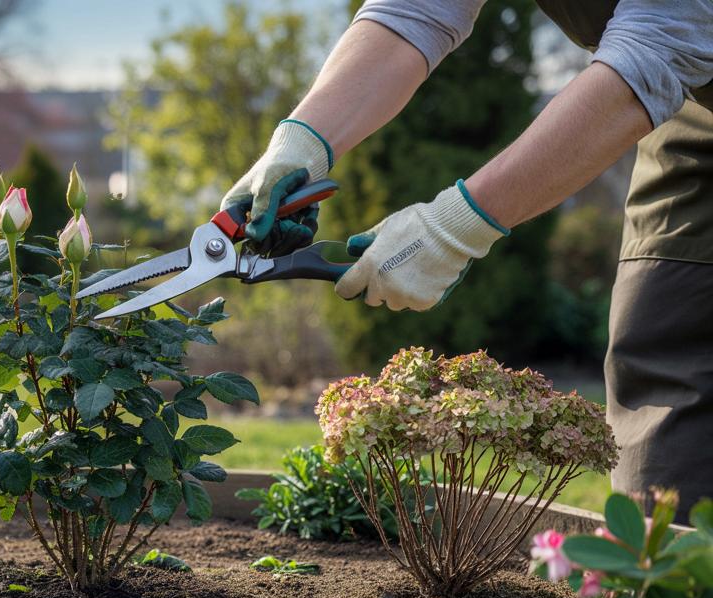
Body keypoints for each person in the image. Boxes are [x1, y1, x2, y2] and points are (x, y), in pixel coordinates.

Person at [224, 1, 713, 521]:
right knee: (663, 354)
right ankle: (664, 594)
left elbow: (659, 42)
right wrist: (299, 142)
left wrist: (453, 228)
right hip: (695, 101)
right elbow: (419, 9)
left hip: (674, 54)